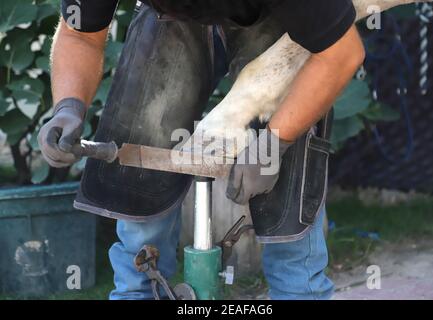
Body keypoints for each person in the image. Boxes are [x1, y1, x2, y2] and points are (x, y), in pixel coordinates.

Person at [38, 0, 365, 300]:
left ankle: (298, 292)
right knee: (137, 196)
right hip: (172, 16)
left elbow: (340, 54)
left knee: (289, 216)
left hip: (279, 17)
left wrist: (276, 142)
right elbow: (80, 34)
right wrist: (68, 106)